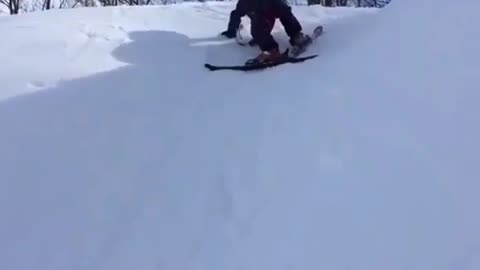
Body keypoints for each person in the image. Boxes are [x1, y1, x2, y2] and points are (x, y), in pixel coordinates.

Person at [220, 0, 311, 65]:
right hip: (260, 20)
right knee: (256, 27)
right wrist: (231, 30)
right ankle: (271, 50)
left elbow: (285, 12)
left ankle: (297, 37)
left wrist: (295, 33)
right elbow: (236, 14)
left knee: (284, 13)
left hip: (270, 12)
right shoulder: (244, 3)